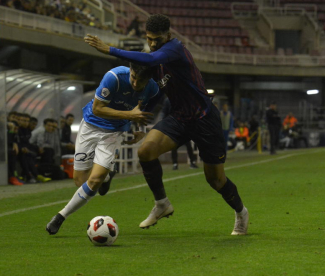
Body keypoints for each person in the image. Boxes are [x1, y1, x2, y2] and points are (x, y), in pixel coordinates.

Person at [84, 14, 249, 235]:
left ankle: (241, 213)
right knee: (146, 151)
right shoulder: (156, 60)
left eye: (157, 39)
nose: (152, 44)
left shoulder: (174, 49)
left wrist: (110, 50)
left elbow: (151, 60)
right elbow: (156, 95)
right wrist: (140, 122)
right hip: (180, 117)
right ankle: (162, 203)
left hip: (204, 119)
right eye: (149, 39)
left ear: (168, 36)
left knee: (216, 180)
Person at [46, 63, 160, 235]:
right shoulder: (114, 77)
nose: (136, 84)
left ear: (149, 78)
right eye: (134, 78)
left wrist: (140, 129)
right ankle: (107, 176)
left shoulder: (152, 88)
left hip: (114, 133)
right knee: (80, 181)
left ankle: (61, 216)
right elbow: (97, 109)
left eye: (141, 80)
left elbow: (142, 110)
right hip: (90, 127)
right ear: (130, 70)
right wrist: (130, 116)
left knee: (94, 181)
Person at [161, 97, 198, 170]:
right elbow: (164, 112)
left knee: (188, 145)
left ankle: (192, 162)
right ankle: (175, 163)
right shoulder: (168, 100)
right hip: (174, 125)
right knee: (174, 146)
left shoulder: (181, 98)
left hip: (183, 125)